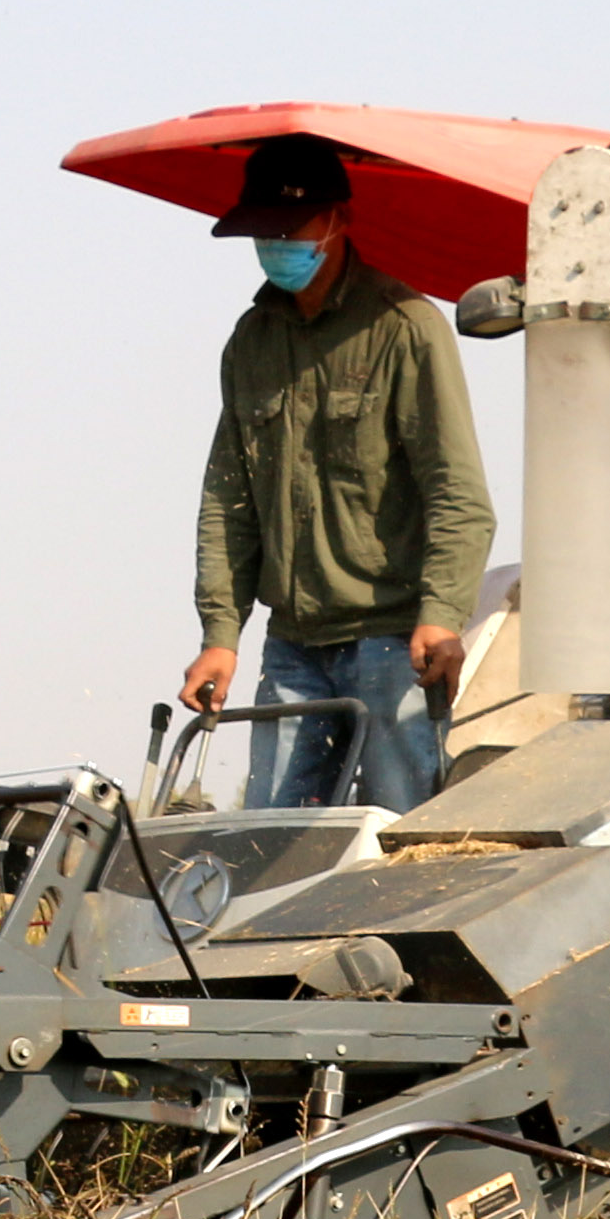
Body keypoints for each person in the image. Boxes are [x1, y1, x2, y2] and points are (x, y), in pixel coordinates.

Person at [176, 132, 496, 812]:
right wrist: (220, 638)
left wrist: (441, 616)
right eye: (266, 231)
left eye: (291, 228)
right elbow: (227, 502)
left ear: (338, 221)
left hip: (391, 642)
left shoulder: (405, 328)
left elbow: (458, 493)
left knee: (395, 830)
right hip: (292, 645)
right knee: (270, 840)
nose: (277, 243)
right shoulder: (251, 343)